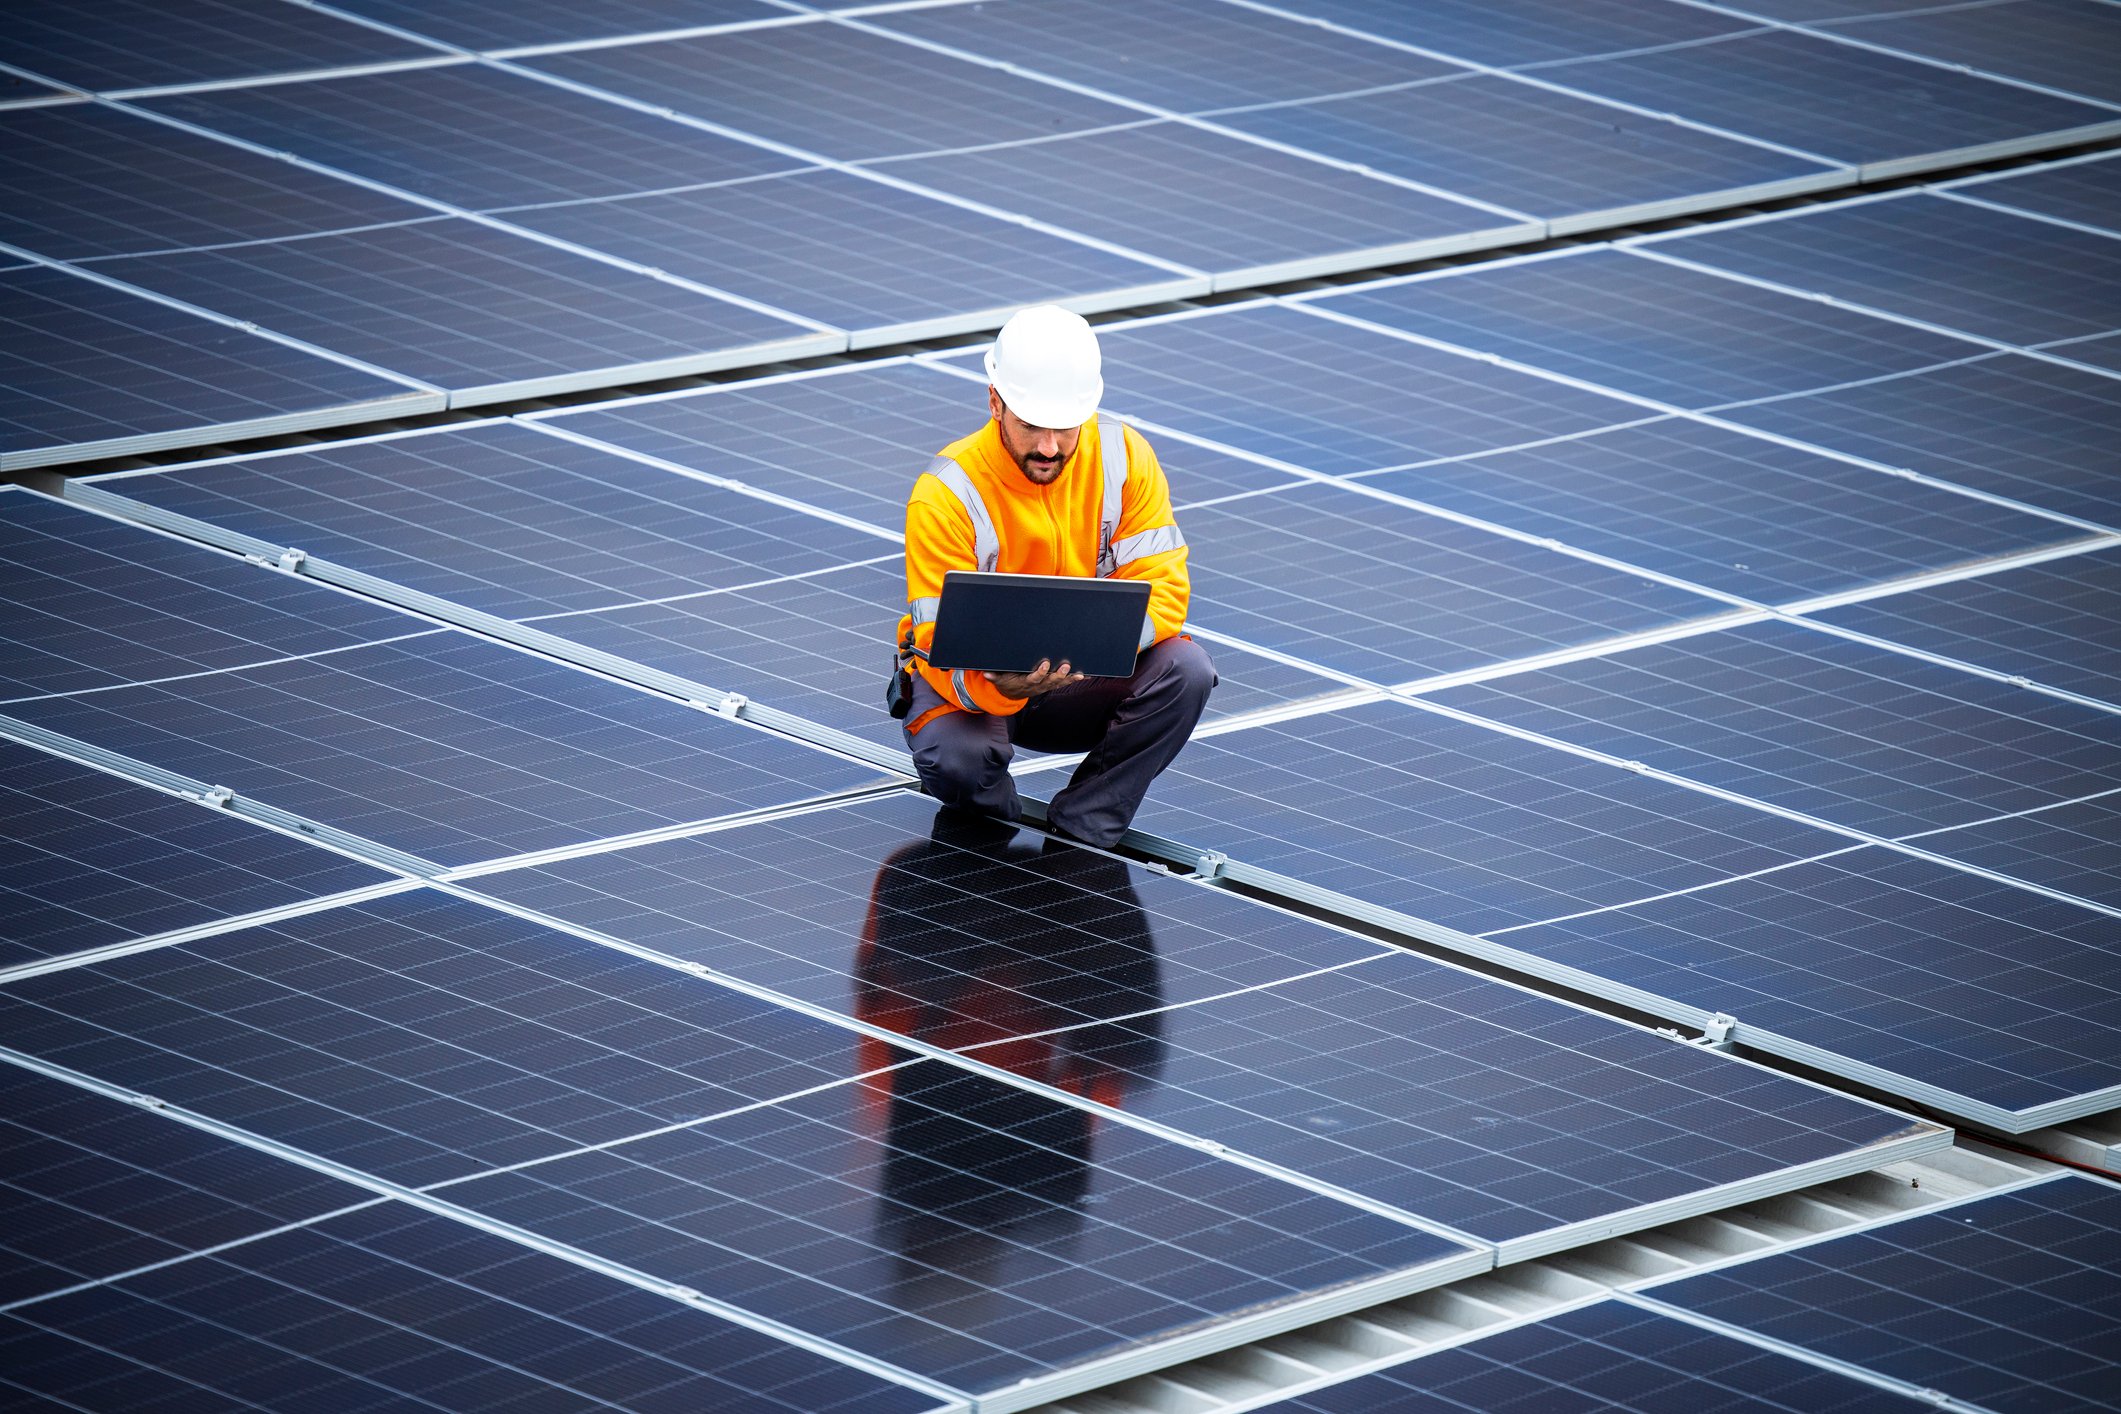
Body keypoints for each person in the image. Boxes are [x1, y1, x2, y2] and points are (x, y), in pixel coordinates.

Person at [892, 305, 1216, 847]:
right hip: (980, 684)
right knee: (958, 758)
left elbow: (1163, 584)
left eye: (1064, 428)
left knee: (1186, 671)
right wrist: (1002, 684)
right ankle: (998, 827)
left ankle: (1084, 831)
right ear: (995, 402)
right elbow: (935, 640)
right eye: (1031, 425)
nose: (1048, 447)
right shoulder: (946, 492)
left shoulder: (1123, 456)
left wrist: (1094, 648)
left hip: (1083, 676)